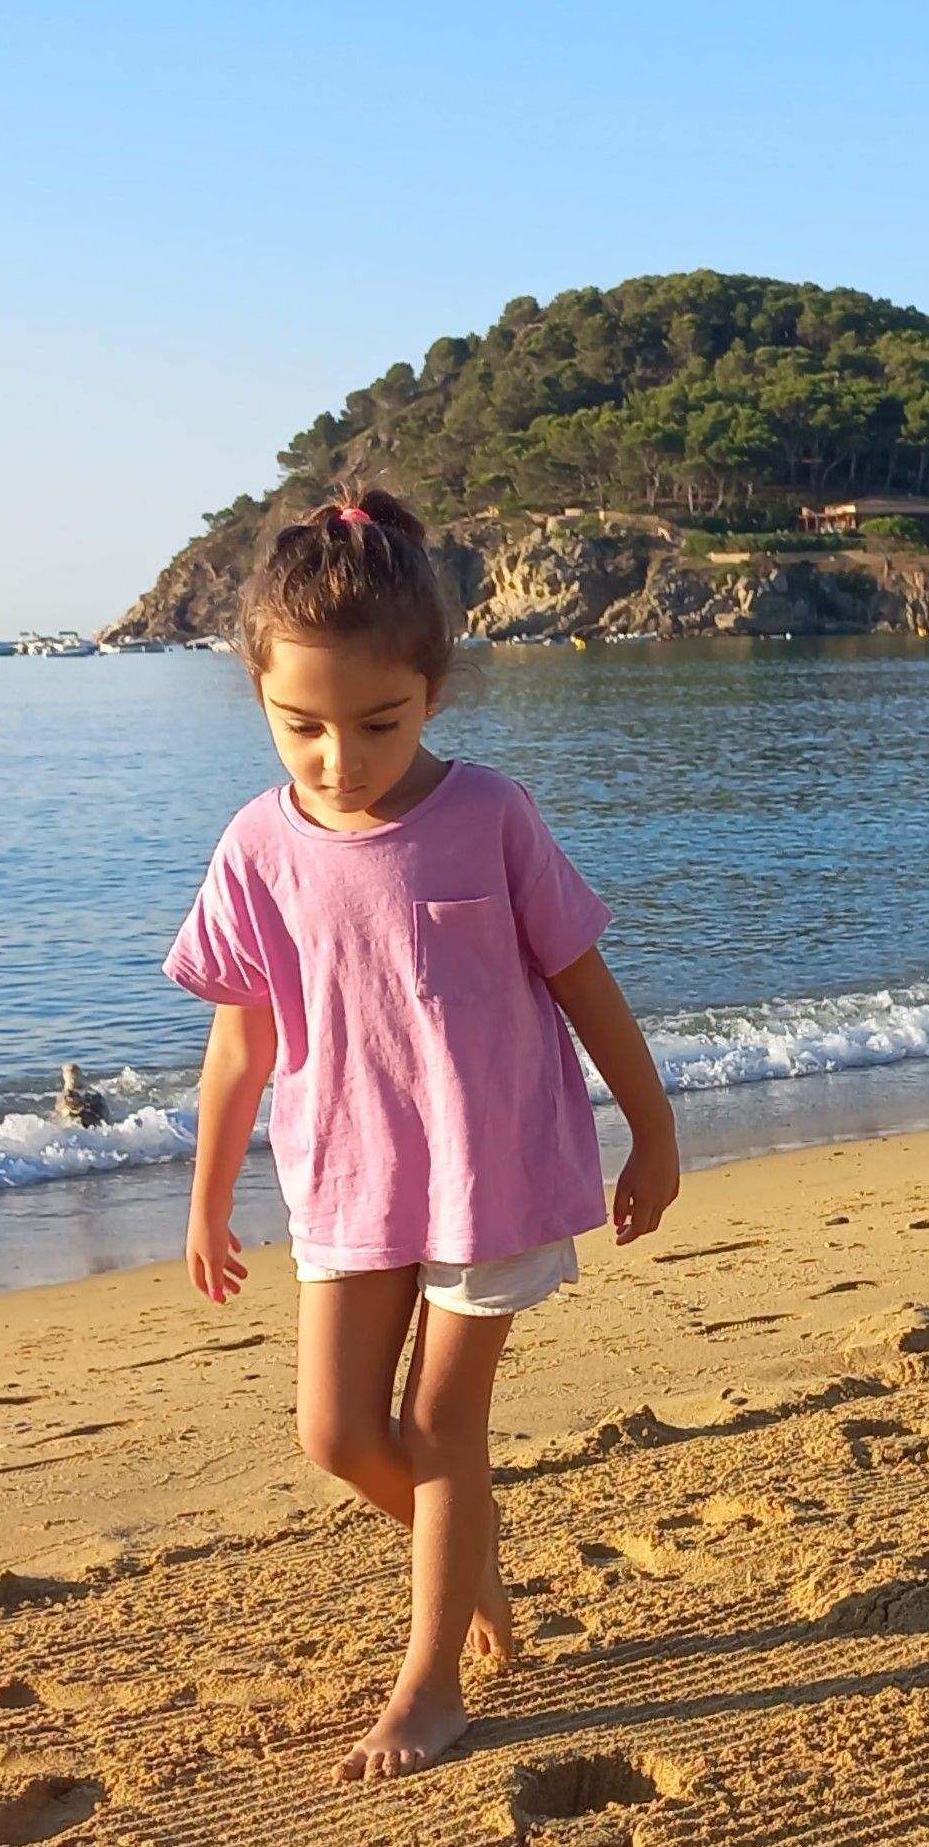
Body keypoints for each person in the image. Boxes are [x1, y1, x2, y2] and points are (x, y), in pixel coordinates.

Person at [168, 488, 679, 1781]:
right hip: (344, 1177)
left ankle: (432, 1679)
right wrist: (208, 1191)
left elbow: (582, 979)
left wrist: (654, 1126)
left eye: (377, 723)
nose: (340, 757)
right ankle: (469, 1562)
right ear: (264, 701)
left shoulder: (492, 814)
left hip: (488, 1169)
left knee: (444, 1422)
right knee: (338, 1432)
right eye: (304, 727)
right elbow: (241, 1039)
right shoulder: (256, 846)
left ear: (434, 690)